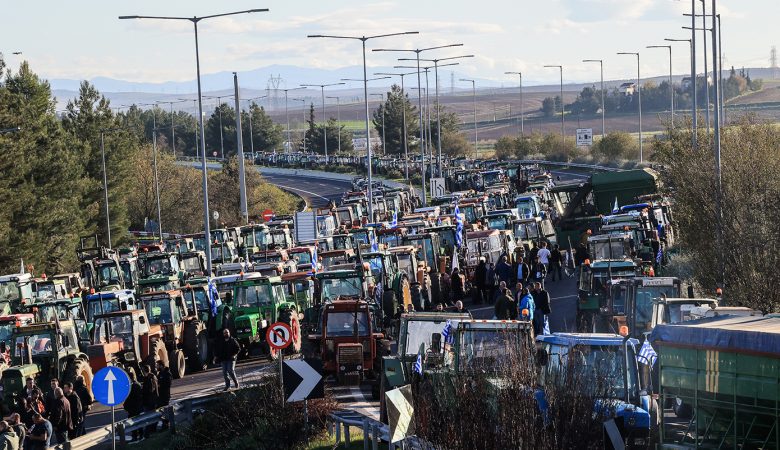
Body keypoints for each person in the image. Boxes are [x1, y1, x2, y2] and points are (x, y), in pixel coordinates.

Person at [123, 372, 143, 442]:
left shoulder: (133, 386)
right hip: (136, 407)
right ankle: (140, 435)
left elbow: (130, 398)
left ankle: (135, 436)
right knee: (138, 422)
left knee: (133, 422)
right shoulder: (137, 384)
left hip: (134, 408)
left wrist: (126, 405)